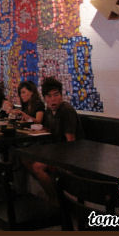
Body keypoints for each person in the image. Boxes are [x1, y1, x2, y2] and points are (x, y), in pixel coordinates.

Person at [23, 77, 83, 205]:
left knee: (37, 167)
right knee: (25, 159)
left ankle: (55, 200)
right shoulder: (49, 111)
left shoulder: (66, 111)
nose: (53, 99)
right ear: (45, 98)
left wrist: (63, 165)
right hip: (55, 151)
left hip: (71, 154)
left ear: (61, 95)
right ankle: (53, 192)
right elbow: (47, 130)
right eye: (49, 96)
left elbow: (71, 142)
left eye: (56, 95)